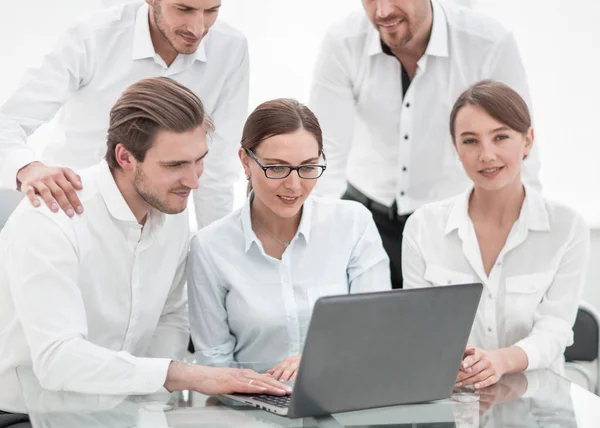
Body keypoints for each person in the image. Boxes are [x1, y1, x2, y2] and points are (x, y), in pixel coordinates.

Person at [0, 77, 289, 417]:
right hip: (26, 415)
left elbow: (171, 315)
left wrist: (152, 405)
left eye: (199, 160)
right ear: (125, 157)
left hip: (121, 411)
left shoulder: (171, 209)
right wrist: (186, 376)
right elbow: (57, 360)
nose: (194, 181)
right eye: (175, 165)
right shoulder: (52, 219)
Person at [309, 0, 542, 289]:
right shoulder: (343, 42)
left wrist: (525, 244)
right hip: (369, 220)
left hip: (454, 227)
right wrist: (314, 246)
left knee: (452, 331)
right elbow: (322, 155)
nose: (382, 12)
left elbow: (519, 152)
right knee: (365, 329)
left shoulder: (488, 43)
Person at [402, 80, 589, 389]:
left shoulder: (567, 228)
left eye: (500, 137)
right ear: (456, 149)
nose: (486, 155)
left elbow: (554, 330)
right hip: (453, 396)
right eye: (470, 141)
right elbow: (419, 329)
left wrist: (500, 361)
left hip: (538, 403)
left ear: (528, 141)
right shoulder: (424, 227)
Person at [187, 98, 391, 380]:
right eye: (276, 168)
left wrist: (320, 361)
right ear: (246, 161)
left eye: (308, 167)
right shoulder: (210, 247)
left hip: (343, 399)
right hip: (249, 410)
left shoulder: (353, 224)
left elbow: (375, 329)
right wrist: (264, 390)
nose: (294, 185)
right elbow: (213, 361)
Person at [0, 0, 248, 229]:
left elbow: (217, 168)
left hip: (161, 230)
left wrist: (217, 252)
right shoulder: (93, 36)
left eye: (211, 10)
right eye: (183, 9)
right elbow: (8, 122)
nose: (197, 28)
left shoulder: (229, 49)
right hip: (72, 215)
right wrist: (27, 168)